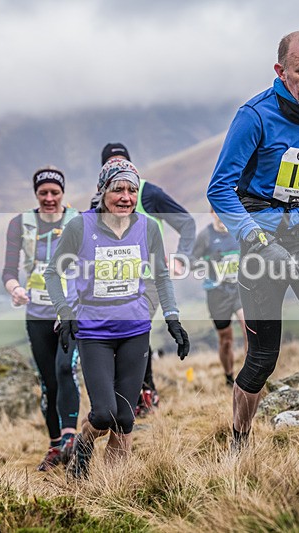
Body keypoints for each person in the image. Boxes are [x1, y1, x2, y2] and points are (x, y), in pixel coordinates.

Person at [207, 30, 299, 461]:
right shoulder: (254, 116)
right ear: (281, 71)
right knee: (263, 357)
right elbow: (219, 189)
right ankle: (238, 440)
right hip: (262, 240)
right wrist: (256, 240)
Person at [45, 157, 190, 480]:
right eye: (118, 189)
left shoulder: (147, 227)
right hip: (93, 331)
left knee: (125, 418)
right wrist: (65, 313)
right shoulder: (80, 226)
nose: (125, 197)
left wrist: (173, 319)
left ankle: (112, 488)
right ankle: (82, 443)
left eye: (132, 190)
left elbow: (162, 276)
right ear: (102, 191)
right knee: (104, 412)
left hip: (135, 329)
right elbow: (52, 273)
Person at [98, 143, 197, 415]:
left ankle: (144, 395)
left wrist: (181, 257)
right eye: (112, 165)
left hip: (148, 281)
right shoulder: (101, 200)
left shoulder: (148, 193)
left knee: (134, 328)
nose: (119, 171)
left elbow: (186, 223)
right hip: (112, 283)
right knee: (122, 335)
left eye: (123, 163)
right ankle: (136, 394)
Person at [2, 166, 81, 471]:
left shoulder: (78, 221)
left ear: (64, 193)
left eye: (55, 193)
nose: (49, 198)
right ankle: (54, 447)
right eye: (43, 193)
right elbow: (8, 271)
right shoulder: (20, 223)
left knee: (65, 371)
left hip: (71, 311)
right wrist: (16, 289)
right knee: (49, 383)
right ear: (35, 194)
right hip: (36, 312)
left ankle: (70, 440)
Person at [190, 208, 248, 387]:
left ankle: (251, 376)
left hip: (239, 290)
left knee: (249, 331)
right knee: (226, 340)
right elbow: (191, 262)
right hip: (217, 294)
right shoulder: (205, 236)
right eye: (217, 212)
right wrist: (207, 260)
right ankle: (229, 376)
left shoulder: (238, 231)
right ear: (212, 213)